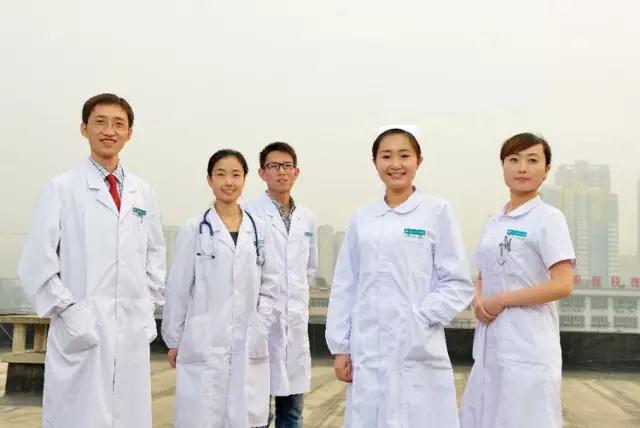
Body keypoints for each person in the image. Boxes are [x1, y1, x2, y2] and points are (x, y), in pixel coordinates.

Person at [18, 93, 166, 428]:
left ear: (129, 133)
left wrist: (146, 305)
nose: (109, 131)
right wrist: (71, 312)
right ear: (84, 128)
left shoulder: (142, 193)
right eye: (100, 122)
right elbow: (35, 264)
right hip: (80, 328)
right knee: (80, 416)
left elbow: (156, 255)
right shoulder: (61, 188)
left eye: (118, 124)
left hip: (131, 328)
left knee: (129, 415)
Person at [325, 126, 474, 427]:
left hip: (417, 344)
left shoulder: (437, 212)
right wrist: (341, 347)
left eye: (404, 155)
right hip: (367, 347)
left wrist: (419, 318)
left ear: (419, 160)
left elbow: (457, 282)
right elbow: (345, 284)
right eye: (386, 156)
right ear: (375, 163)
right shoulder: (363, 218)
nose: (395, 164)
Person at [459, 133, 575, 428]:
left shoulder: (549, 218)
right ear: (503, 167)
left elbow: (562, 284)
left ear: (546, 169)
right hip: (491, 343)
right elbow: (482, 272)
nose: (522, 168)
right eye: (514, 160)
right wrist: (479, 301)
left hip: (530, 346)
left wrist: (501, 300)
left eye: (532, 160)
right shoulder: (494, 222)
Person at [161, 149, 276, 428]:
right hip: (204, 339)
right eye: (221, 174)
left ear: (245, 179)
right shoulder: (194, 228)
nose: (228, 182)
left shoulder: (258, 229)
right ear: (209, 180)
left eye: (236, 175)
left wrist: (261, 323)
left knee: (244, 416)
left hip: (248, 337)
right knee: (204, 416)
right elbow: (178, 287)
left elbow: (270, 284)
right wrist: (174, 339)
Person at [244, 142, 318, 428]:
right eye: (274, 166)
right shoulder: (249, 212)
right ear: (262, 173)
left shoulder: (306, 217)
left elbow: (308, 268)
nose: (281, 172)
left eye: (287, 166)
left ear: (296, 172)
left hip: (294, 322)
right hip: (260, 321)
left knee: (293, 413)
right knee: (258, 412)